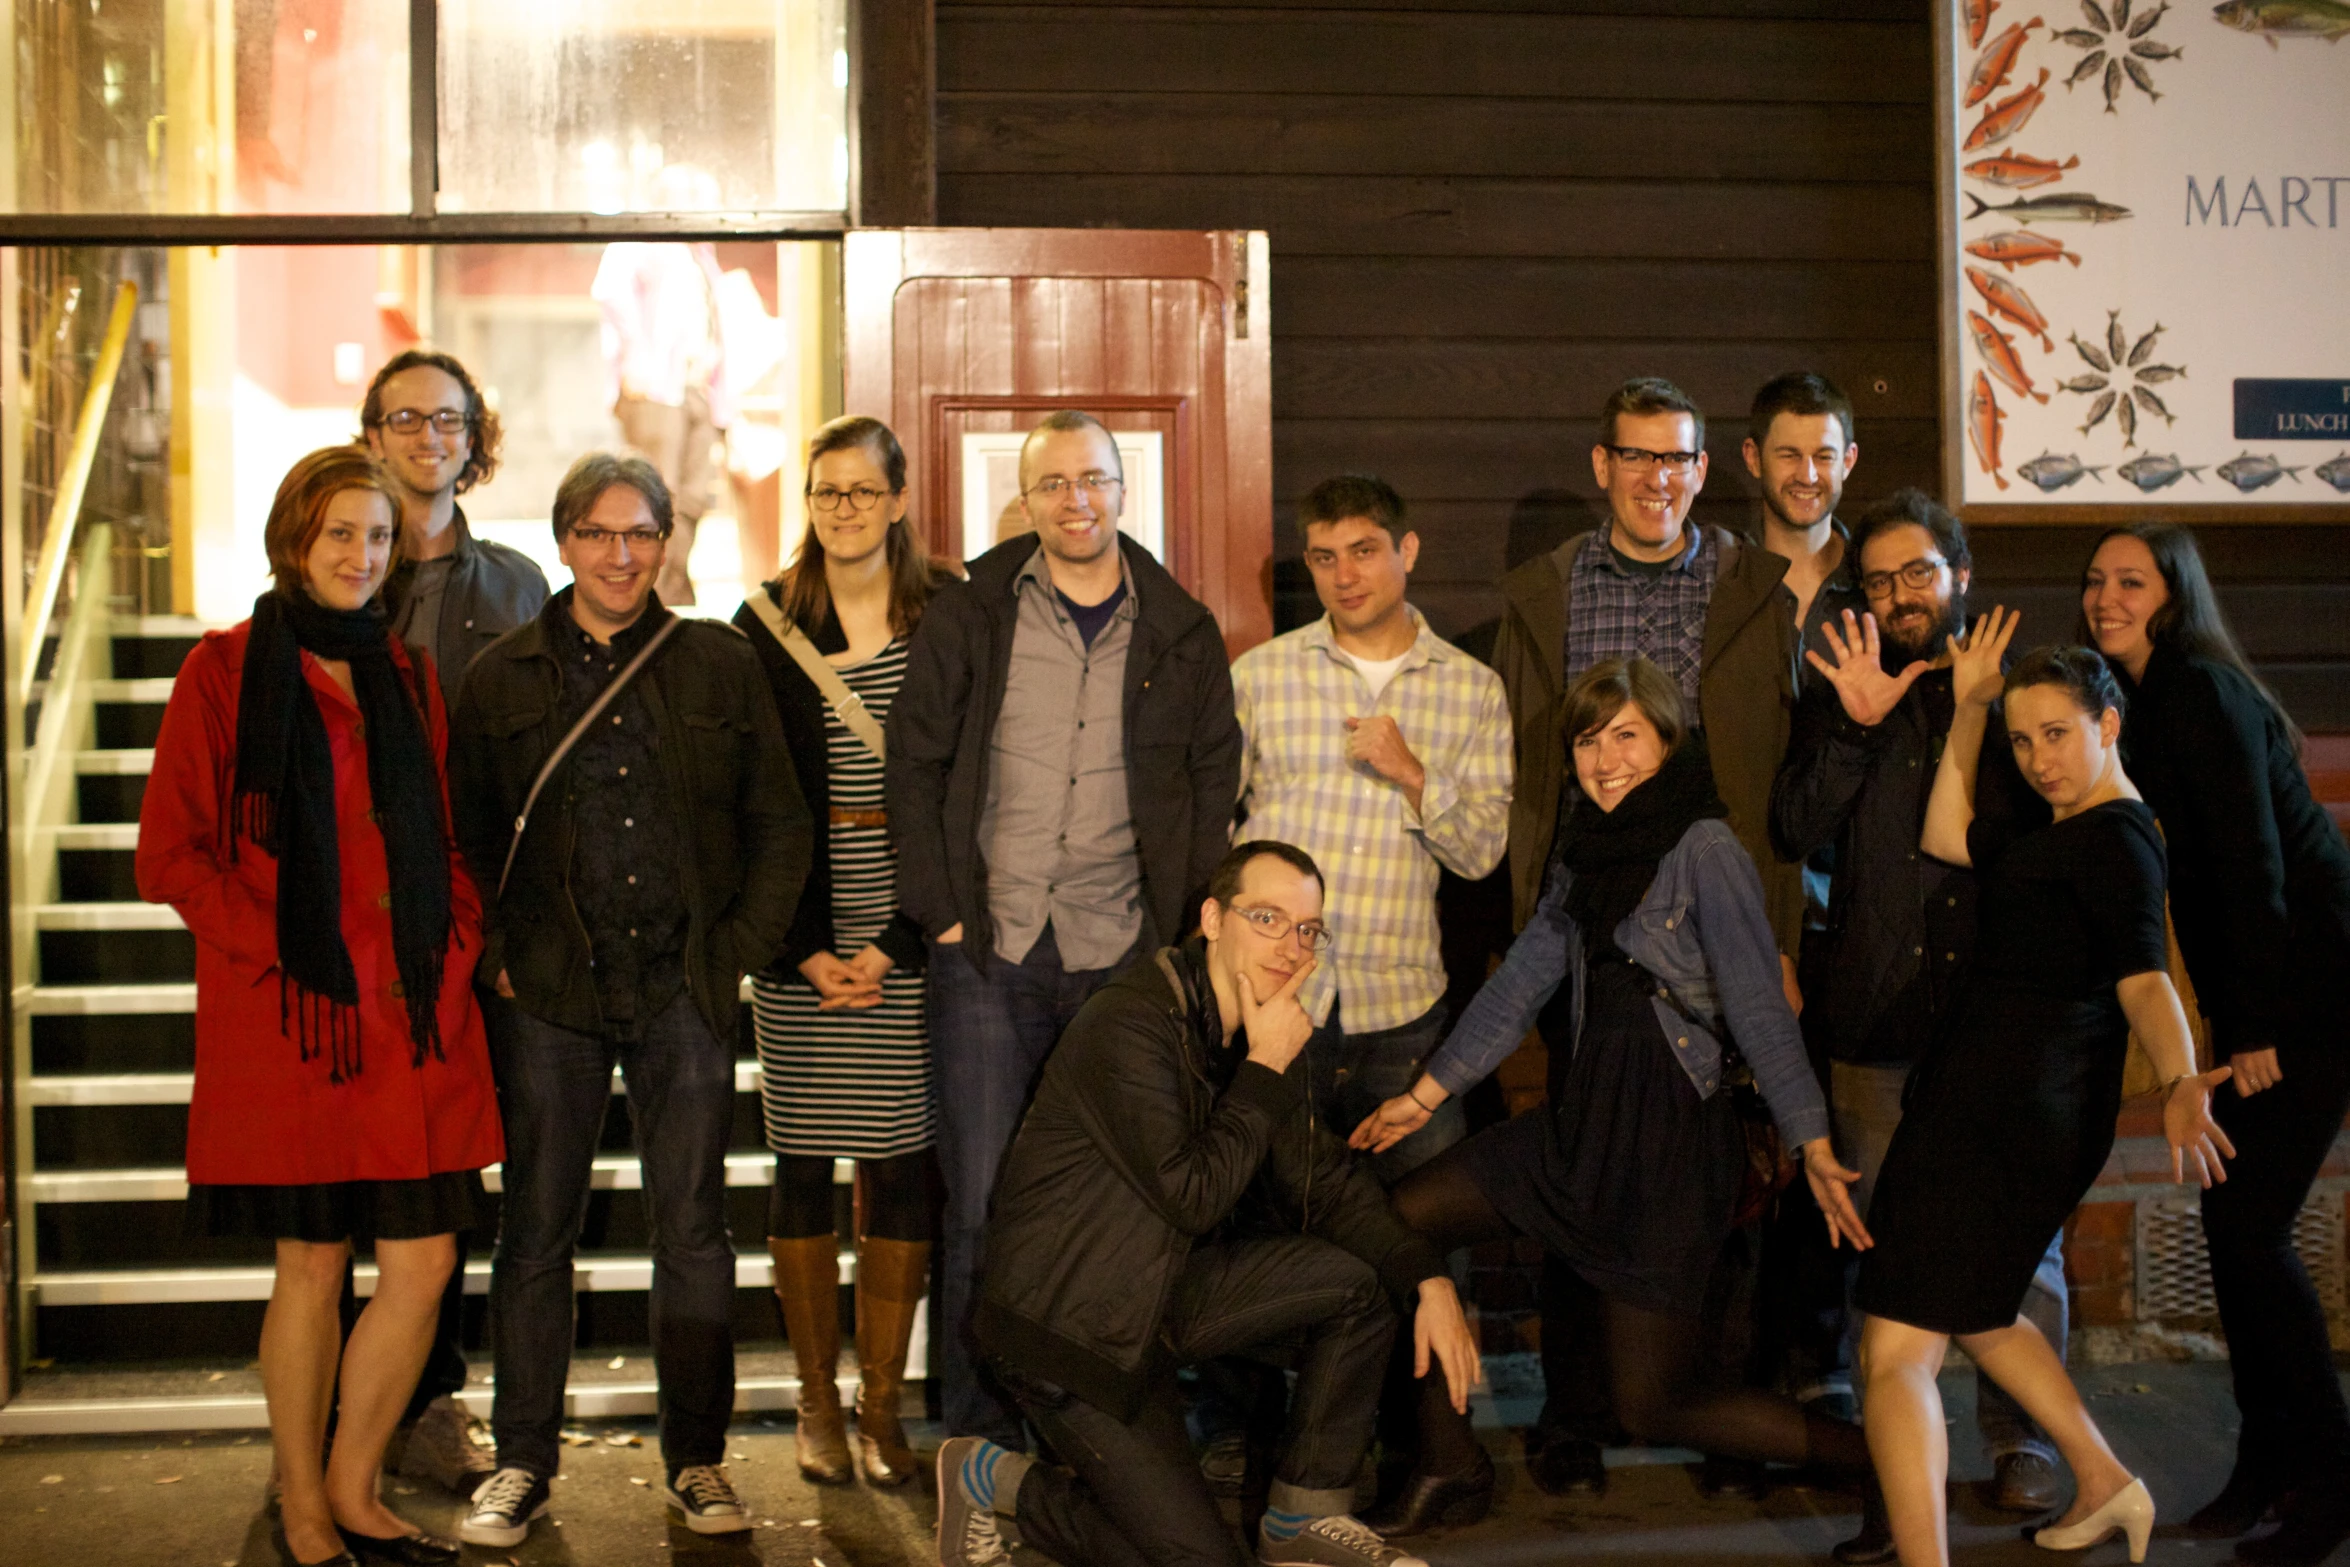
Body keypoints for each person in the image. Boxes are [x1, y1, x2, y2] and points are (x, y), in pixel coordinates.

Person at [1350, 658, 1876, 1535]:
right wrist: (1424, 1093)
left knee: (1655, 1403)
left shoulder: (1704, 846)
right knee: (1402, 1217)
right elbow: (1522, 978)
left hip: (1667, 1143)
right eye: (1588, 740)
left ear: (1667, 742)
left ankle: (1883, 1464)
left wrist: (1811, 1139)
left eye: (1626, 734)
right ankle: (1448, 1462)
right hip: (1581, 1127)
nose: (1605, 759)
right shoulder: (1585, 848)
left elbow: (1756, 1004)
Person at [137, 445, 499, 1567]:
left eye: (379, 536)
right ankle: (300, 1502)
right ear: (296, 538)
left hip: (416, 1017)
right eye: (341, 532)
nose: (361, 554)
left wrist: (457, 927)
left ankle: (352, 1484)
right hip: (299, 1024)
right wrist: (289, 953)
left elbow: (438, 834)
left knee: (427, 1261)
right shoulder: (222, 669)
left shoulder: (407, 675)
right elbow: (170, 856)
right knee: (312, 1263)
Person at [447, 454, 811, 1544]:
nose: (621, 554)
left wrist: (735, 952)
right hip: (547, 993)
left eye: (642, 534)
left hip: (681, 991)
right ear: (563, 542)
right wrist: (499, 959)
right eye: (600, 534)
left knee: (694, 1231)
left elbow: (780, 822)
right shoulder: (501, 676)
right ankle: (520, 1461)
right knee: (535, 1236)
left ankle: (696, 1460)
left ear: (667, 544)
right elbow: (463, 838)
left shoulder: (717, 662)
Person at [936, 841, 1480, 1567]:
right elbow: (1191, 1195)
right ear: (1213, 918)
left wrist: (1427, 1277)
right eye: (1268, 918)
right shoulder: (1129, 1024)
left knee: (1360, 1281)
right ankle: (991, 1477)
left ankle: (1302, 1518)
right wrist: (1264, 1068)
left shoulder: (1256, 1032)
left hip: (1150, 1306)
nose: (1291, 946)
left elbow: (1326, 1184)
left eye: (1307, 928)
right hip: (1067, 1331)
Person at [887, 408, 1244, 1445]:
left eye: (1092, 480)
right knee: (982, 1205)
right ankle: (978, 1447)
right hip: (989, 954)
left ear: (1123, 491)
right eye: (1053, 485)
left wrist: (1175, 942)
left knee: (1113, 1204)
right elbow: (913, 764)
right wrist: (940, 918)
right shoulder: (975, 612)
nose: (1074, 501)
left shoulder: (1180, 628)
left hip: (1118, 960)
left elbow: (1210, 782)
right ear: (1028, 498)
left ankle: (1097, 1437)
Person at [1854, 629, 2234, 1567]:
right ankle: (2106, 1482)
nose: (2039, 760)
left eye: (2057, 734)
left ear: (2109, 724)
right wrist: (1975, 709)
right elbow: (1944, 835)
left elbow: (2146, 979)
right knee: (1981, 1308)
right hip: (2008, 1107)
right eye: (2024, 742)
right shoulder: (2065, 830)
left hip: (2001, 1116)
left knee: (1895, 1352)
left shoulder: (2118, 842)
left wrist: (2184, 1079)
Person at [1488, 377, 1804, 1495]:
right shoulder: (1551, 591)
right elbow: (1531, 767)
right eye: (1635, 458)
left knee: (1720, 1183)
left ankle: (1718, 1404)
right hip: (1590, 916)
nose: (1655, 479)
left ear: (1703, 471)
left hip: (1717, 908)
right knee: (1580, 1163)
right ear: (1600, 465)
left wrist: (1775, 931)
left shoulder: (1753, 588)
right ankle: (1576, 1408)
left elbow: (1784, 766)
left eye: (1675, 459)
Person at [1769, 491, 2070, 1552]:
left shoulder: (2027, 692)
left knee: (2016, 1243)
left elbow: (2054, 830)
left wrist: (1978, 708)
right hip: (1875, 1015)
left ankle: (2024, 1438)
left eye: (1919, 574)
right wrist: (1849, 728)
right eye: (1881, 579)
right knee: (1887, 1260)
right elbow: (1791, 824)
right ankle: (1901, 1494)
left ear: (1960, 576)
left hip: (1994, 1018)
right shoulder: (1839, 689)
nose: (1899, 595)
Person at [2080, 525, 2350, 1566]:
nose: (2105, 597)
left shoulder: (2201, 690)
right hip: (2270, 998)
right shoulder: (2144, 704)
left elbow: (2254, 868)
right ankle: (2269, 1459)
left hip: (2309, 995)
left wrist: (2251, 1030)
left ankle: (2327, 1473)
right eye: (2095, 581)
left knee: (2249, 1236)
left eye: (2129, 581)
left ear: (2173, 594)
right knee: (2235, 1232)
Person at [733, 416, 953, 1489]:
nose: (844, 510)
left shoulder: (948, 612)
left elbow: (969, 781)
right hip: (800, 922)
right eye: (826, 492)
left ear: (899, 499)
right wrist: (803, 947)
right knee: (804, 1157)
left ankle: (883, 1405)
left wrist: (903, 934)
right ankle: (816, 1405)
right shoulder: (764, 620)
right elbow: (749, 800)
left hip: (911, 912)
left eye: (864, 492)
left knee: (904, 1155)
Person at [355, 346, 550, 1495]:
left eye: (451, 418)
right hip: (370, 940)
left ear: (478, 438)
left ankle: (438, 1403)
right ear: (372, 433)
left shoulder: (521, 585)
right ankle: (362, 1407)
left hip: (493, 935)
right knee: (372, 1184)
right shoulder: (335, 570)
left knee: (473, 1183)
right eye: (407, 417)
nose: (430, 435)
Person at [1230, 473, 1513, 1181]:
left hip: (1403, 1013)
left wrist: (1413, 773)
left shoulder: (1472, 687)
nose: (1344, 575)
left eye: (1363, 550)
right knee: (1276, 1233)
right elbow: (1212, 827)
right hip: (1279, 998)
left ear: (1407, 548)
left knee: (1422, 1236)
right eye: (1325, 557)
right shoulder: (1260, 676)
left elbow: (1481, 854)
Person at [592, 240, 732, 605]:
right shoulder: (641, 239)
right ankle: (644, 599)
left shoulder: (699, 251)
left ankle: (671, 592)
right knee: (655, 496)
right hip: (656, 388)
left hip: (698, 387)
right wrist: (636, 353)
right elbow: (611, 290)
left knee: (694, 496)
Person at [1743, 370, 1862, 646]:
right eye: (1789, 455)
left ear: (1847, 461)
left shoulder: (1873, 579)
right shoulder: (1722, 577)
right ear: (1753, 458)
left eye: (1823, 457)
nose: (1807, 476)